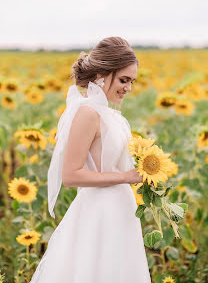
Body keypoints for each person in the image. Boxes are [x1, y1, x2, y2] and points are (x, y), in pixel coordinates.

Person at [30, 36, 152, 283]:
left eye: (132, 81)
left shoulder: (112, 116)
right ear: (103, 74)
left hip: (122, 210)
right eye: (123, 80)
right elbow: (71, 175)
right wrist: (126, 177)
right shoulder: (87, 113)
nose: (128, 88)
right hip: (98, 213)